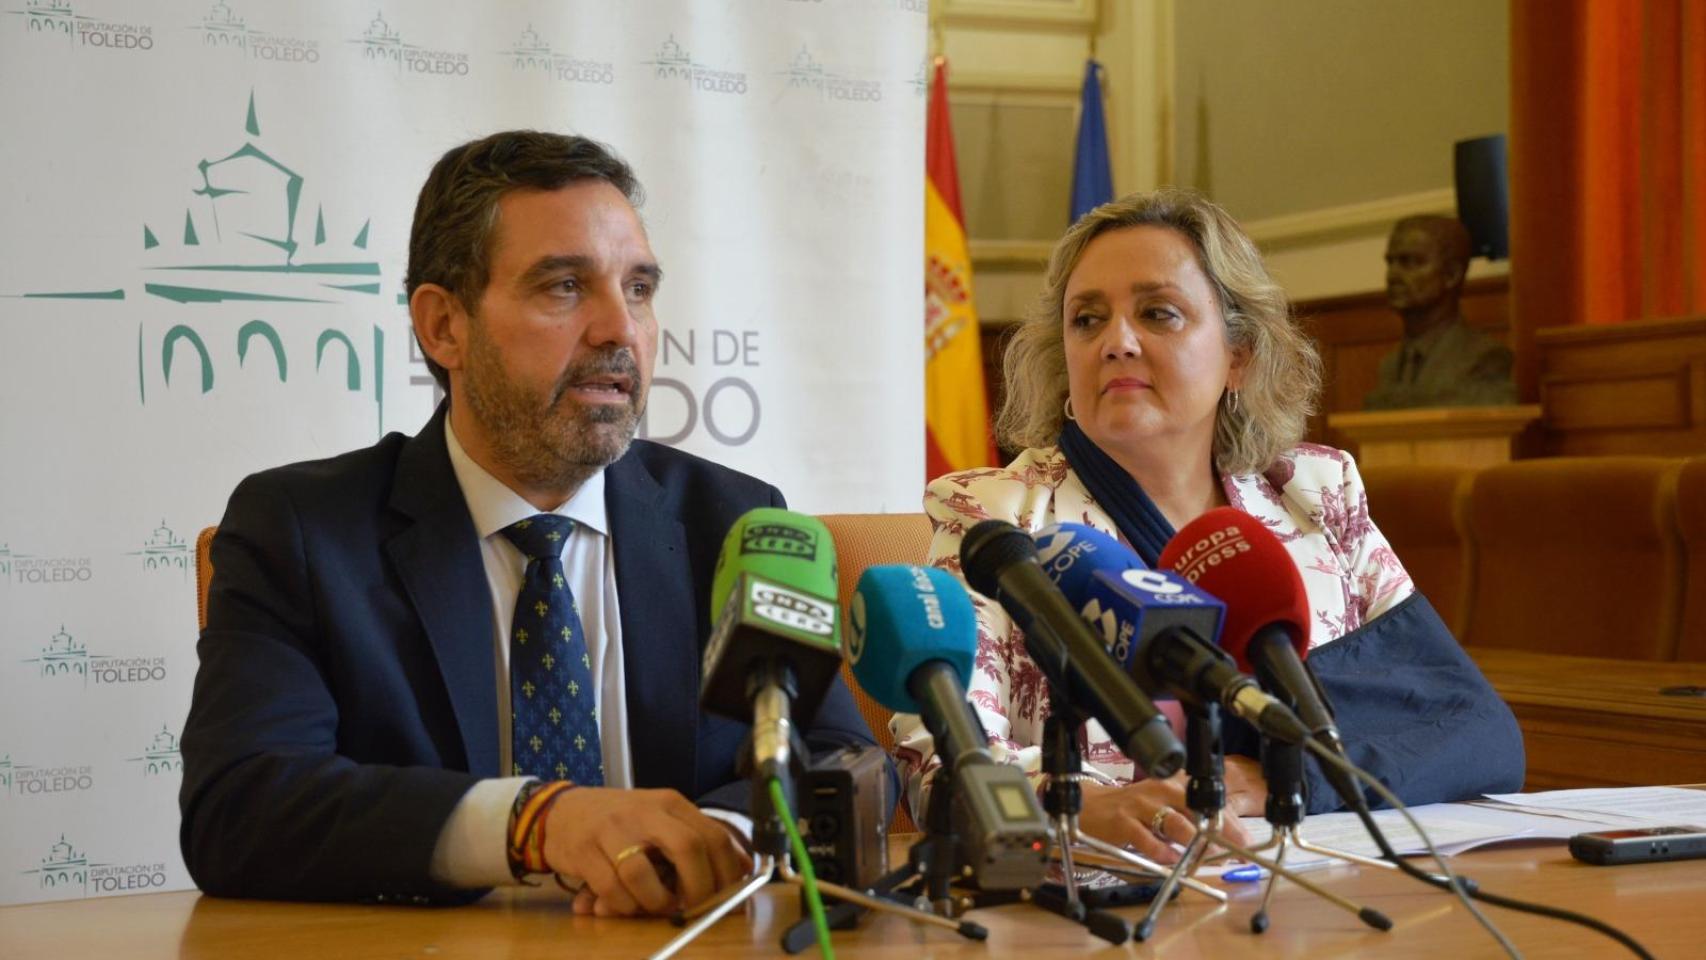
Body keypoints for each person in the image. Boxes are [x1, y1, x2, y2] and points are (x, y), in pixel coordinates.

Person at [179, 131, 885, 915]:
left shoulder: (732, 522)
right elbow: (239, 806)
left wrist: (713, 837)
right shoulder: (305, 533)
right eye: (564, 287)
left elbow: (842, 760)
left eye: (640, 289)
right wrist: (536, 823)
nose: (621, 331)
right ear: (444, 325)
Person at [894, 189, 1523, 867]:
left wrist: (1280, 779)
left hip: (1324, 888)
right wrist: (1080, 810)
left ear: (1240, 355)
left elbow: (1471, 729)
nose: (1117, 342)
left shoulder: (1314, 495)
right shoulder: (995, 517)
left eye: (1158, 313)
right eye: (1087, 320)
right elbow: (940, 766)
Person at [1363, 215, 1516, 409]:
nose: (1393, 275)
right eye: (1390, 262)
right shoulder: (1389, 366)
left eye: (1410, 262)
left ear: (1451, 274)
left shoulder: (1484, 358)